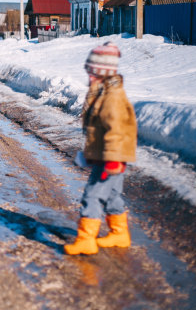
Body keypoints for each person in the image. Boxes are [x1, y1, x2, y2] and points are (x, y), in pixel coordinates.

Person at [64, 41, 137, 255]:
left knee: (93, 194)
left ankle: (86, 239)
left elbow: (117, 129)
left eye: (92, 73)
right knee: (112, 195)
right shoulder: (104, 92)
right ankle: (119, 233)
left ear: (102, 73)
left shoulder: (112, 96)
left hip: (112, 158)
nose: (89, 77)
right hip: (109, 156)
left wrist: (112, 159)